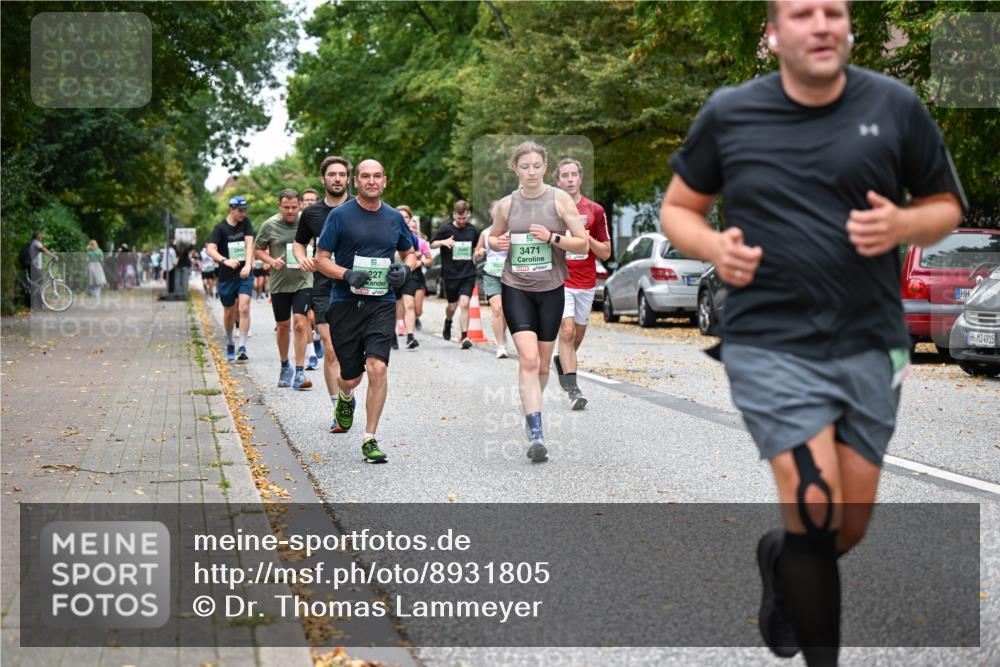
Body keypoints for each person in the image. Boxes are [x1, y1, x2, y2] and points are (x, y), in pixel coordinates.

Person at [660, 1, 965, 663]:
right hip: (769, 340)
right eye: (803, 12)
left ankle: (782, 556)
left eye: (834, 10)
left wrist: (903, 227)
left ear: (850, 28)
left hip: (869, 340)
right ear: (772, 35)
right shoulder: (731, 113)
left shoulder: (894, 106)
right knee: (818, 509)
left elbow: (945, 205)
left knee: (842, 526)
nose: (821, 23)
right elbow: (680, 208)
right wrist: (714, 246)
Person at [489, 141, 589, 463]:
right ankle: (536, 431)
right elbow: (492, 236)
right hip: (515, 287)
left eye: (536, 166)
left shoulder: (559, 200)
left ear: (545, 167)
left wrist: (551, 237)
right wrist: (498, 241)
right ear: (515, 169)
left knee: (544, 364)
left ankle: (531, 406)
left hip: (551, 290)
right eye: (524, 166)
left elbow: (582, 245)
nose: (530, 172)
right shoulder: (506, 204)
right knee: (529, 360)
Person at [315, 158, 416, 463]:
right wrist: (345, 274)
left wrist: (405, 270)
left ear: (385, 181)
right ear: (356, 182)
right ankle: (345, 399)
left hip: (381, 304)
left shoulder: (393, 218)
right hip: (345, 304)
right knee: (351, 378)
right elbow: (321, 258)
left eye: (377, 176)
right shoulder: (340, 216)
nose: (371, 181)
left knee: (378, 368)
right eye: (365, 176)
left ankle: (369, 437)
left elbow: (409, 252)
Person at [553, 157, 612, 410]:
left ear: (580, 178)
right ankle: (574, 390)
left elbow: (606, 253)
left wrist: (587, 240)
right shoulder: (551, 210)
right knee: (565, 331)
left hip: (586, 283)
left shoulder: (595, 211)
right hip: (560, 280)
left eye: (573, 175)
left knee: (576, 336)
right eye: (564, 175)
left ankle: (562, 362)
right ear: (557, 180)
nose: (569, 179)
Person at [294, 156, 350, 427]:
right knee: (331, 349)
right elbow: (299, 243)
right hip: (324, 287)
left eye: (341, 174)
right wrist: (302, 257)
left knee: (351, 351)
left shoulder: (359, 207)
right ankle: (338, 409)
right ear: (323, 179)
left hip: (356, 287)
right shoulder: (312, 213)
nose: (337, 178)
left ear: (348, 179)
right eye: (332, 174)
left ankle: (347, 394)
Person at [255, 188, 314, 390]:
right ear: (279, 206)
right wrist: (271, 261)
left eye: (294, 207)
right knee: (282, 326)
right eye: (286, 207)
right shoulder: (269, 225)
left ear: (299, 206)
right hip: (280, 282)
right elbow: (257, 249)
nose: (290, 211)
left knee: (300, 323)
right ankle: (284, 366)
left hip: (304, 281)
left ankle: (299, 371)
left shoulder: (306, 221)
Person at [207, 195, 255, 362]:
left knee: (244, 307)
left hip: (244, 274)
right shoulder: (220, 228)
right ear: (231, 209)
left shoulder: (246, 223)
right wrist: (225, 261)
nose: (243, 214)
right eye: (240, 211)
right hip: (227, 276)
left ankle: (242, 347)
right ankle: (229, 342)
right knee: (229, 312)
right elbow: (210, 249)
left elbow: (250, 244)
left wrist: (248, 265)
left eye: (245, 210)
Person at [430, 200, 480, 348]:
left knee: (465, 304)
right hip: (450, 274)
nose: (462, 221)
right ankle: (448, 321)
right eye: (459, 218)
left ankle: (464, 336)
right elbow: (431, 243)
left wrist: (479, 253)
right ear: (454, 215)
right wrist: (443, 242)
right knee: (452, 306)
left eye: (464, 218)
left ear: (468, 214)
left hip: (467, 273)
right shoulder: (446, 229)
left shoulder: (472, 230)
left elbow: (477, 248)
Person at [475, 201, 510, 359]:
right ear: (491, 213)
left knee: (508, 313)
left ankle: (502, 334)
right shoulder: (485, 233)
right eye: (495, 210)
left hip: (510, 275)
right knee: (497, 309)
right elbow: (477, 253)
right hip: (491, 274)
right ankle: (501, 346)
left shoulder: (513, 231)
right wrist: (479, 253)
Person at [398, 205, 433, 349]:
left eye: (406, 217)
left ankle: (411, 330)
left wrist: (419, 260)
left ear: (410, 219)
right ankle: (403, 335)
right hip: (395, 274)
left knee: (414, 307)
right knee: (403, 305)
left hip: (412, 274)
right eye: (400, 217)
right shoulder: (388, 231)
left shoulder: (413, 237)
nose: (403, 220)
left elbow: (418, 254)